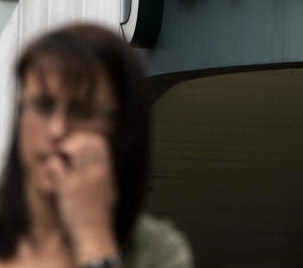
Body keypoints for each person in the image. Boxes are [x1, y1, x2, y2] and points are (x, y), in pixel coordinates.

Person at [0, 24, 192, 268]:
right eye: (43, 106)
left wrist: (93, 239)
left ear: (122, 129)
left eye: (82, 111)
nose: (57, 130)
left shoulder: (157, 252)